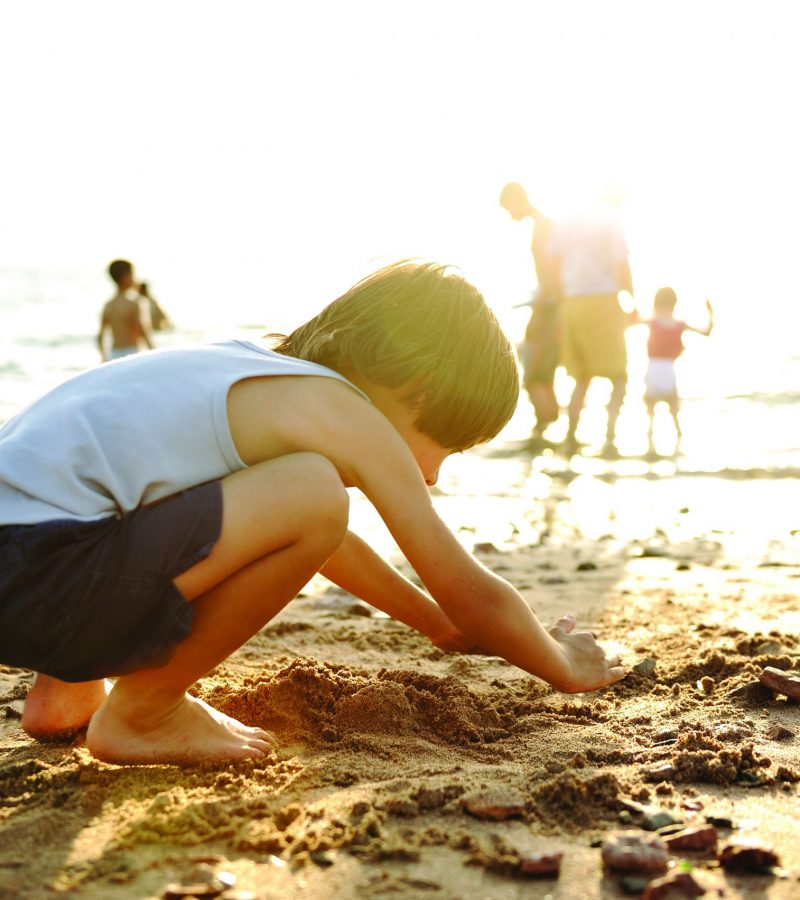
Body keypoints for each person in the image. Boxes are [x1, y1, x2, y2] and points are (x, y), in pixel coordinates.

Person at [0, 261, 625, 767]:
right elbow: (469, 593)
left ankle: (64, 693)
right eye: (447, 448)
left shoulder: (247, 371)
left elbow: (321, 539)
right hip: (46, 577)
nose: (431, 475)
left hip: (26, 574)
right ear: (422, 392)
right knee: (314, 491)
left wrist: (428, 622)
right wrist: (561, 662)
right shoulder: (342, 411)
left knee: (157, 486)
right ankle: (146, 710)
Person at [548, 200, 634, 457]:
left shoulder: (565, 218)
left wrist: (560, 297)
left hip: (571, 303)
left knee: (581, 377)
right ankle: (610, 438)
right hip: (602, 300)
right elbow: (622, 265)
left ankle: (571, 437)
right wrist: (632, 299)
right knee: (618, 377)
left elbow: (551, 259)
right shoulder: (610, 220)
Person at [499, 182, 560, 448]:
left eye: (508, 207)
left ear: (517, 199)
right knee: (541, 369)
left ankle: (545, 430)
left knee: (535, 371)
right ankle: (546, 428)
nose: (509, 215)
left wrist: (541, 305)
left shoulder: (544, 226)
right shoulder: (544, 224)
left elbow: (551, 271)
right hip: (550, 303)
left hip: (549, 306)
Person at [641, 287, 713, 454]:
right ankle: (678, 442)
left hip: (652, 370)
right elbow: (706, 332)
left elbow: (627, 322)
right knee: (674, 412)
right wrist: (710, 314)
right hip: (668, 371)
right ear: (674, 304)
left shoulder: (652, 322)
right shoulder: (679, 325)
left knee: (650, 413)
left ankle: (650, 444)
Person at [97, 259, 153, 361]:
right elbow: (143, 331)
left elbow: (100, 336)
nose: (135, 278)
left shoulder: (108, 305)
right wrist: (153, 352)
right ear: (125, 277)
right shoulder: (134, 302)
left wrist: (103, 358)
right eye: (132, 274)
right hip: (133, 353)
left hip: (113, 355)